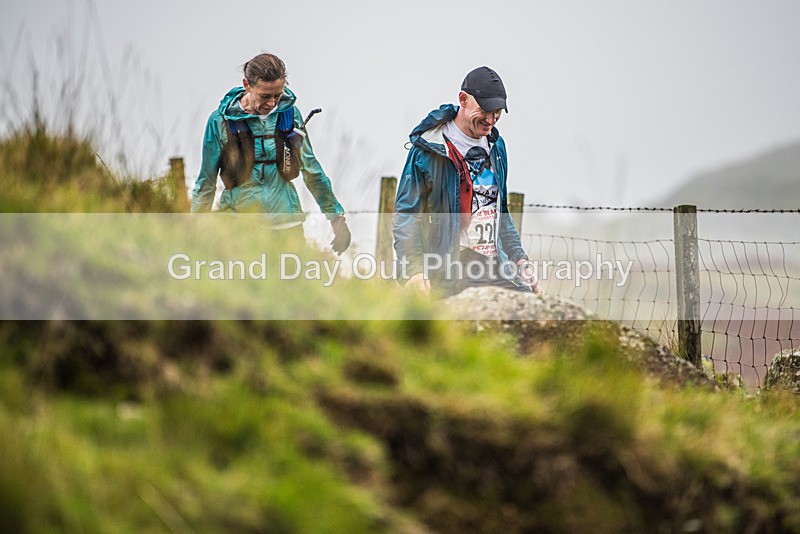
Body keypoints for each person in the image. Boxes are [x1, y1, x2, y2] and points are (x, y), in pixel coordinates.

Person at [393, 66, 543, 295]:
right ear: (463, 99)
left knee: (528, 314)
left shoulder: (497, 147)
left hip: (493, 267)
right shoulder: (428, 149)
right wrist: (413, 269)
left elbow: (500, 211)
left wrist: (520, 260)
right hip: (445, 271)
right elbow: (406, 214)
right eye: (485, 110)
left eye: (498, 113)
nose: (491, 120)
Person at [191, 53, 350, 254]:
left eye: (278, 95)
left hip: (287, 225)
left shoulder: (291, 114)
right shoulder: (220, 121)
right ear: (247, 85)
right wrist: (195, 231)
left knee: (291, 284)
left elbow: (311, 169)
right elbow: (206, 181)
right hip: (237, 227)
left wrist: (336, 217)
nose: (273, 103)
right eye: (265, 96)